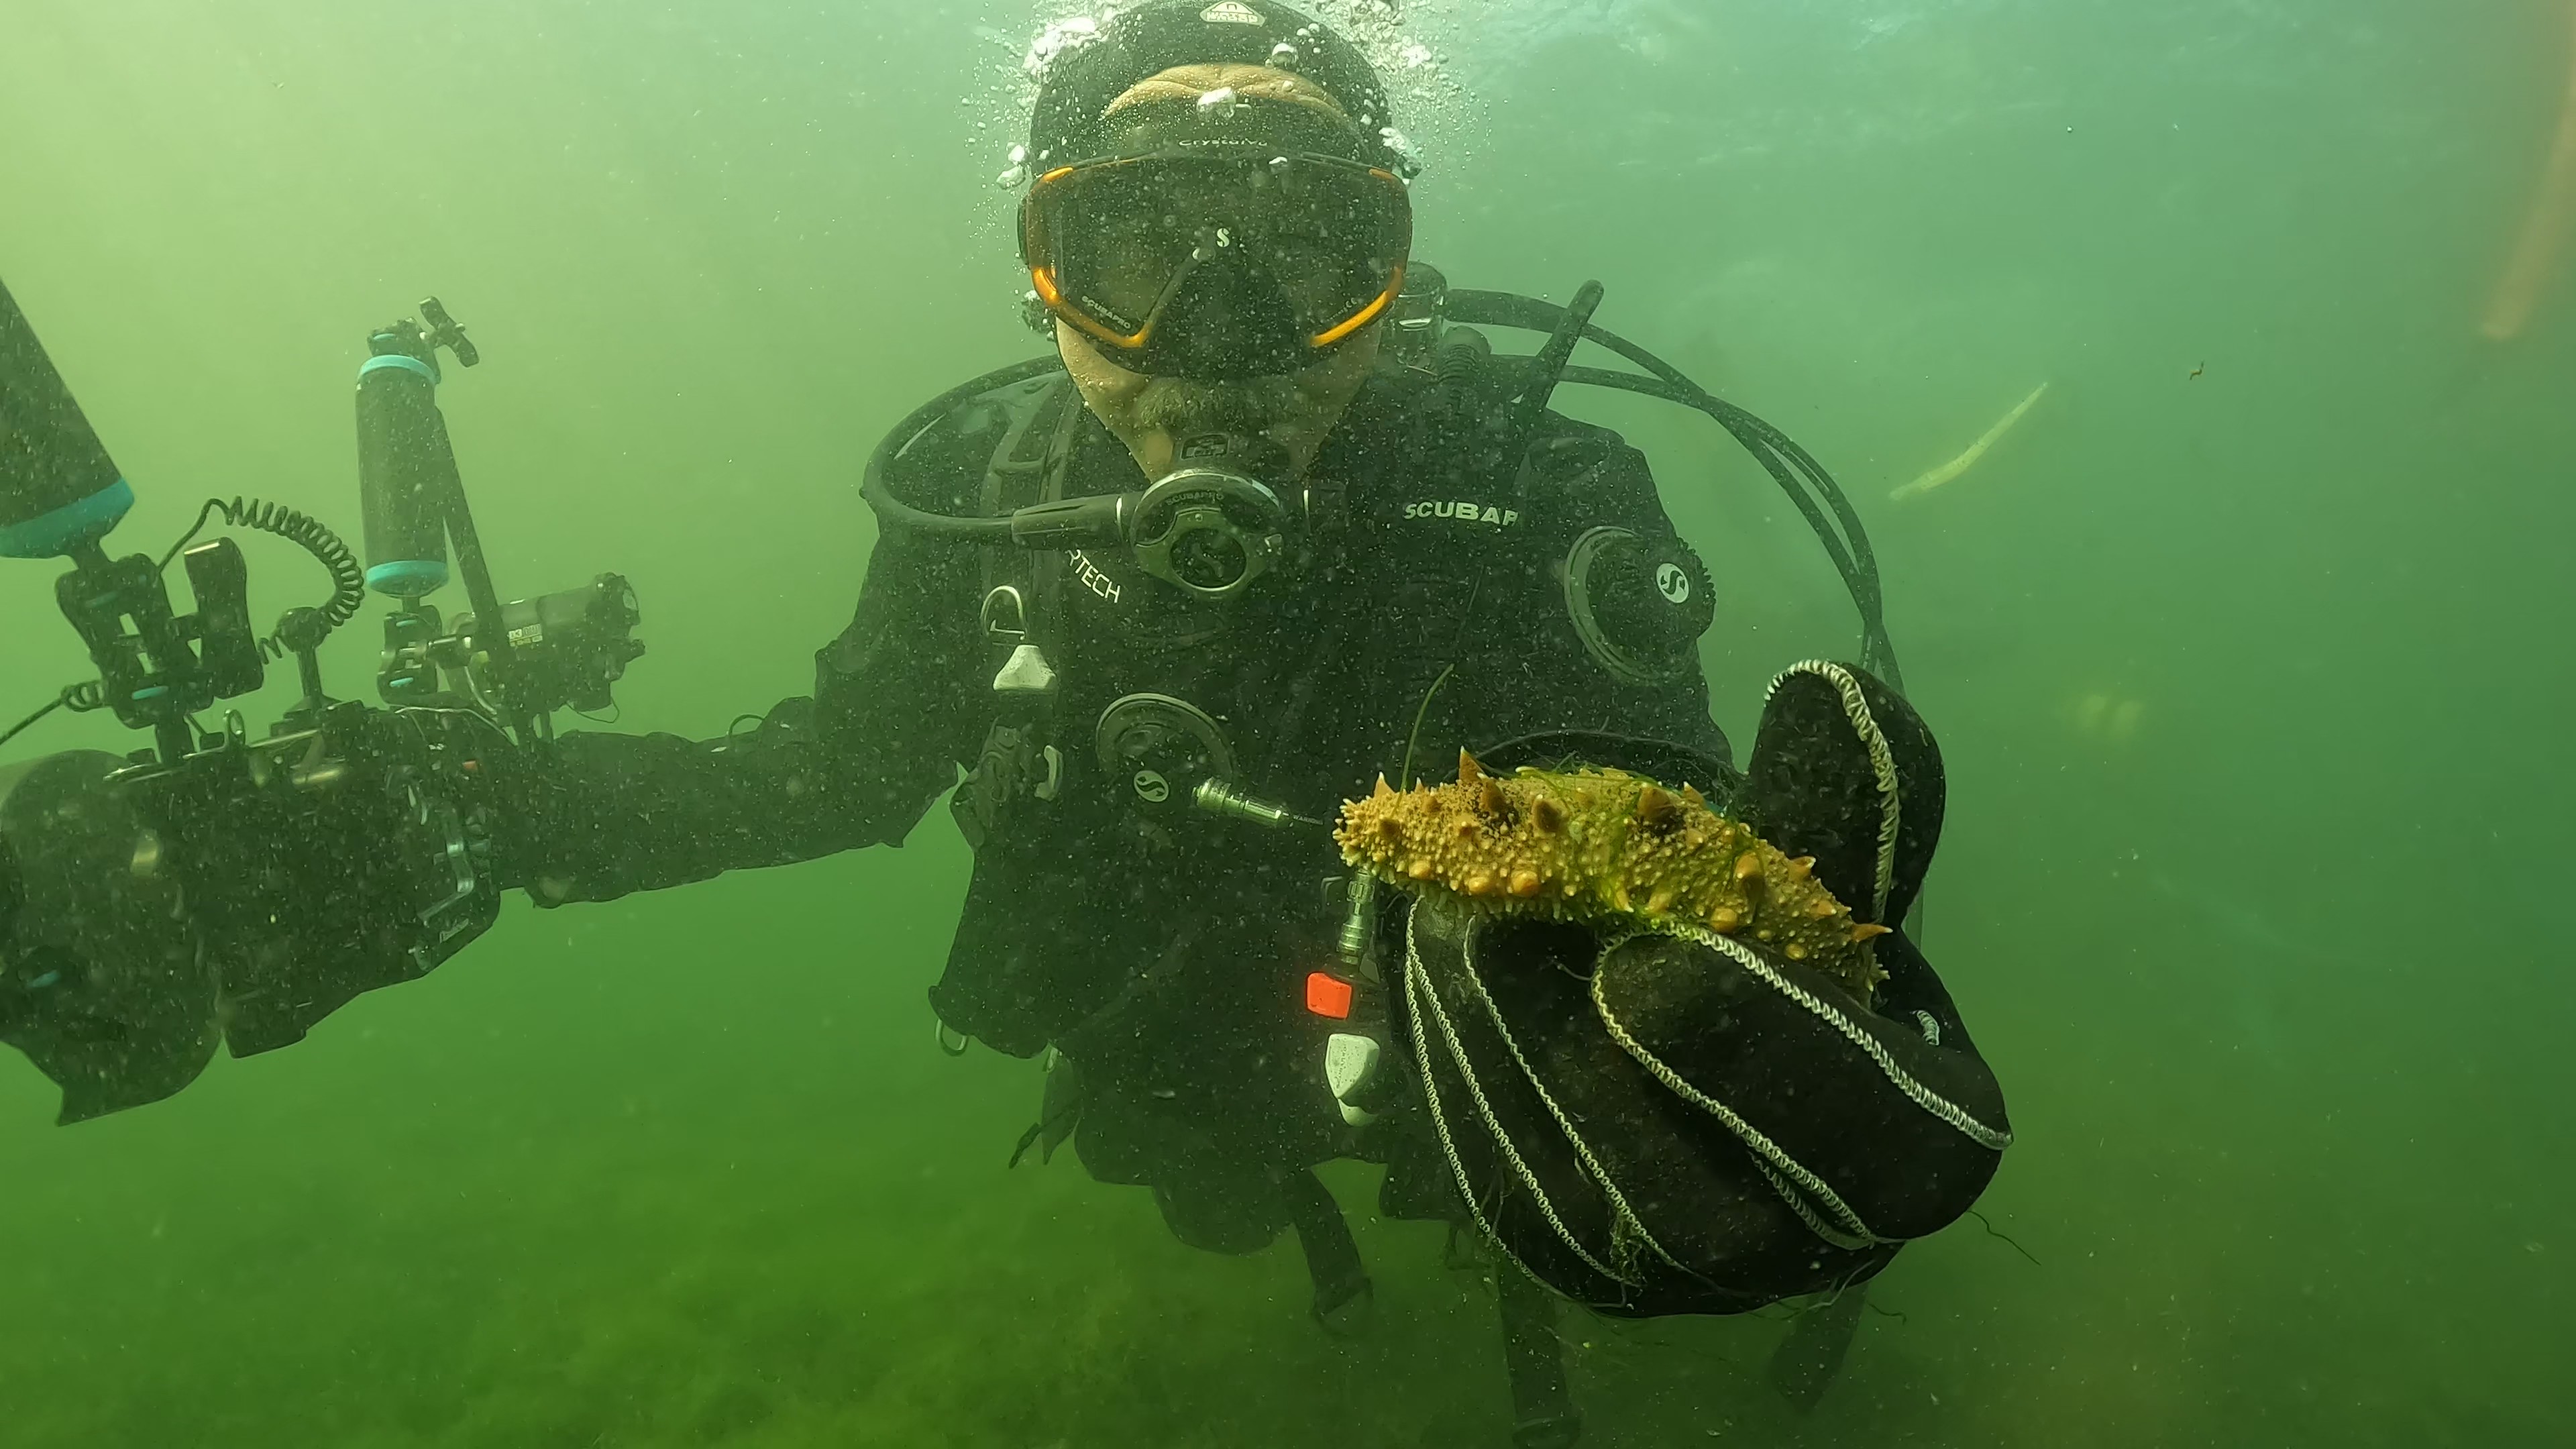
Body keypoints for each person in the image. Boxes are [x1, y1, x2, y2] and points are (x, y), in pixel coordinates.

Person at [0, 5, 2008, 1444]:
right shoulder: (974, 492)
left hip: (1446, 1087)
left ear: (1395, 286)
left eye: (1312, 257)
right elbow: (827, 770)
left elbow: (1641, 788)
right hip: (1170, 1067)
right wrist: (462, 809)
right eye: (1135, 253)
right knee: (1205, 1187)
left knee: (1498, 1207)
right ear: (1045, 277)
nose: (1219, 342)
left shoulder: (1543, 494)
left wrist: (1708, 987)